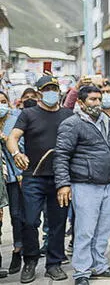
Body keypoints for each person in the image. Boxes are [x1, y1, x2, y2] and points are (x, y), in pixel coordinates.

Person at [54, 85, 110, 285]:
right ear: (80, 103)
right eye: (92, 100)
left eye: (99, 98)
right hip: (84, 184)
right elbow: (61, 156)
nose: (97, 103)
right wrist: (63, 184)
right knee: (85, 230)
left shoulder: (108, 123)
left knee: (104, 229)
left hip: (108, 184)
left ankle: (99, 266)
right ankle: (82, 272)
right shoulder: (72, 124)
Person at [8, 75, 73, 284]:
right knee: (29, 221)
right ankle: (30, 261)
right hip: (33, 177)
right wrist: (17, 154)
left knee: (57, 222)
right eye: (47, 89)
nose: (51, 92)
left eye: (54, 88)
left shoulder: (67, 114)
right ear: (38, 93)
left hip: (59, 178)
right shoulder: (28, 114)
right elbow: (12, 137)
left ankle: (53, 263)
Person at [0, 91, 25, 275]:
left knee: (17, 215)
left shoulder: (16, 120)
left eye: (3, 101)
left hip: (15, 177)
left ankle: (18, 251)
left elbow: (21, 147)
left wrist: (6, 138)